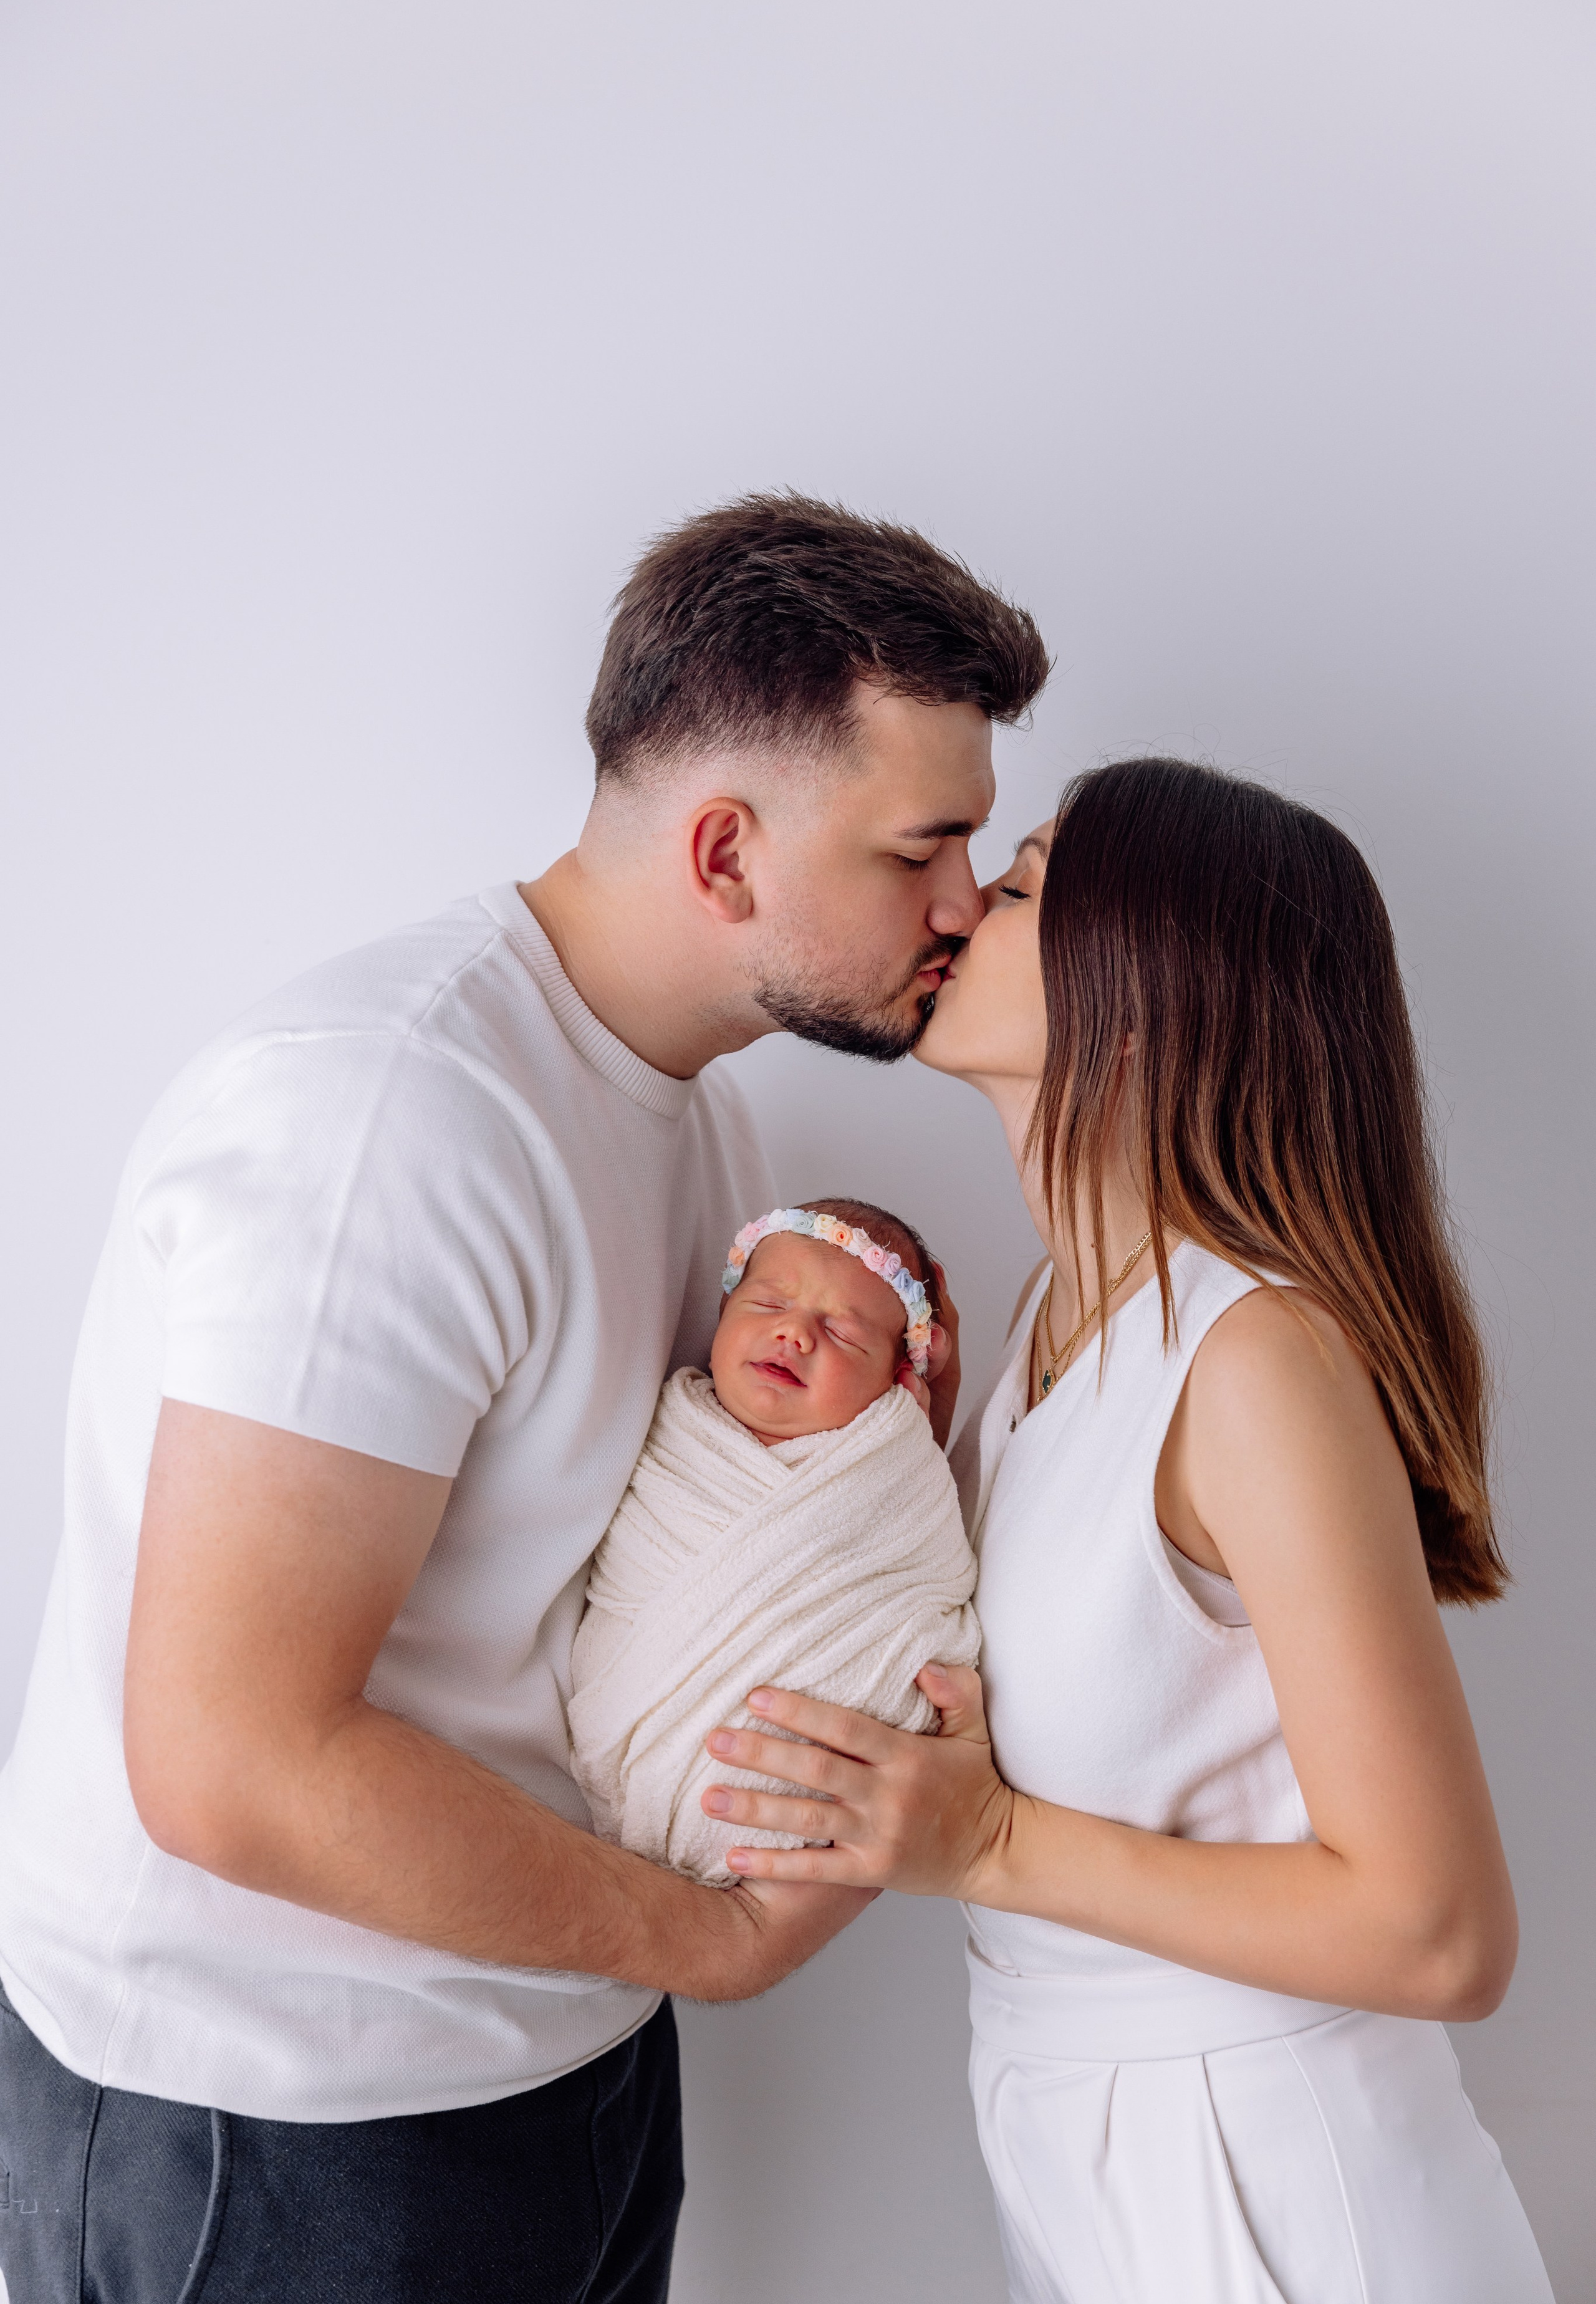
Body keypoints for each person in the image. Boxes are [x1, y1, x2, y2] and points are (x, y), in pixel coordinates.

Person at [0, 495, 1048, 2304]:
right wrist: (716, 1940)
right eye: (923, 848)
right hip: (279, 2122)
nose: (968, 903)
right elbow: (230, 1756)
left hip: (549, 2049)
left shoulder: (693, 1113)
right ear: (726, 850)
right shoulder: (390, 1117)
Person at [699, 757, 1554, 2302]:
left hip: (1271, 2186)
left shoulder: (1251, 1363)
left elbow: (1440, 1935)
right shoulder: (1048, 1328)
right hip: (1078, 2145)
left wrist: (991, 1841)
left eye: (1019, 886)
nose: (955, 907)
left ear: (1146, 998)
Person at [567, 1198, 981, 1884]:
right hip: (620, 1741)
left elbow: (917, 1589)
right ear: (721, 1318)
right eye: (766, 1304)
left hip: (793, 1805)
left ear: (897, 1382)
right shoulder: (674, 1432)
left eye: (844, 1334)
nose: (794, 1334)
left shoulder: (893, 1474)